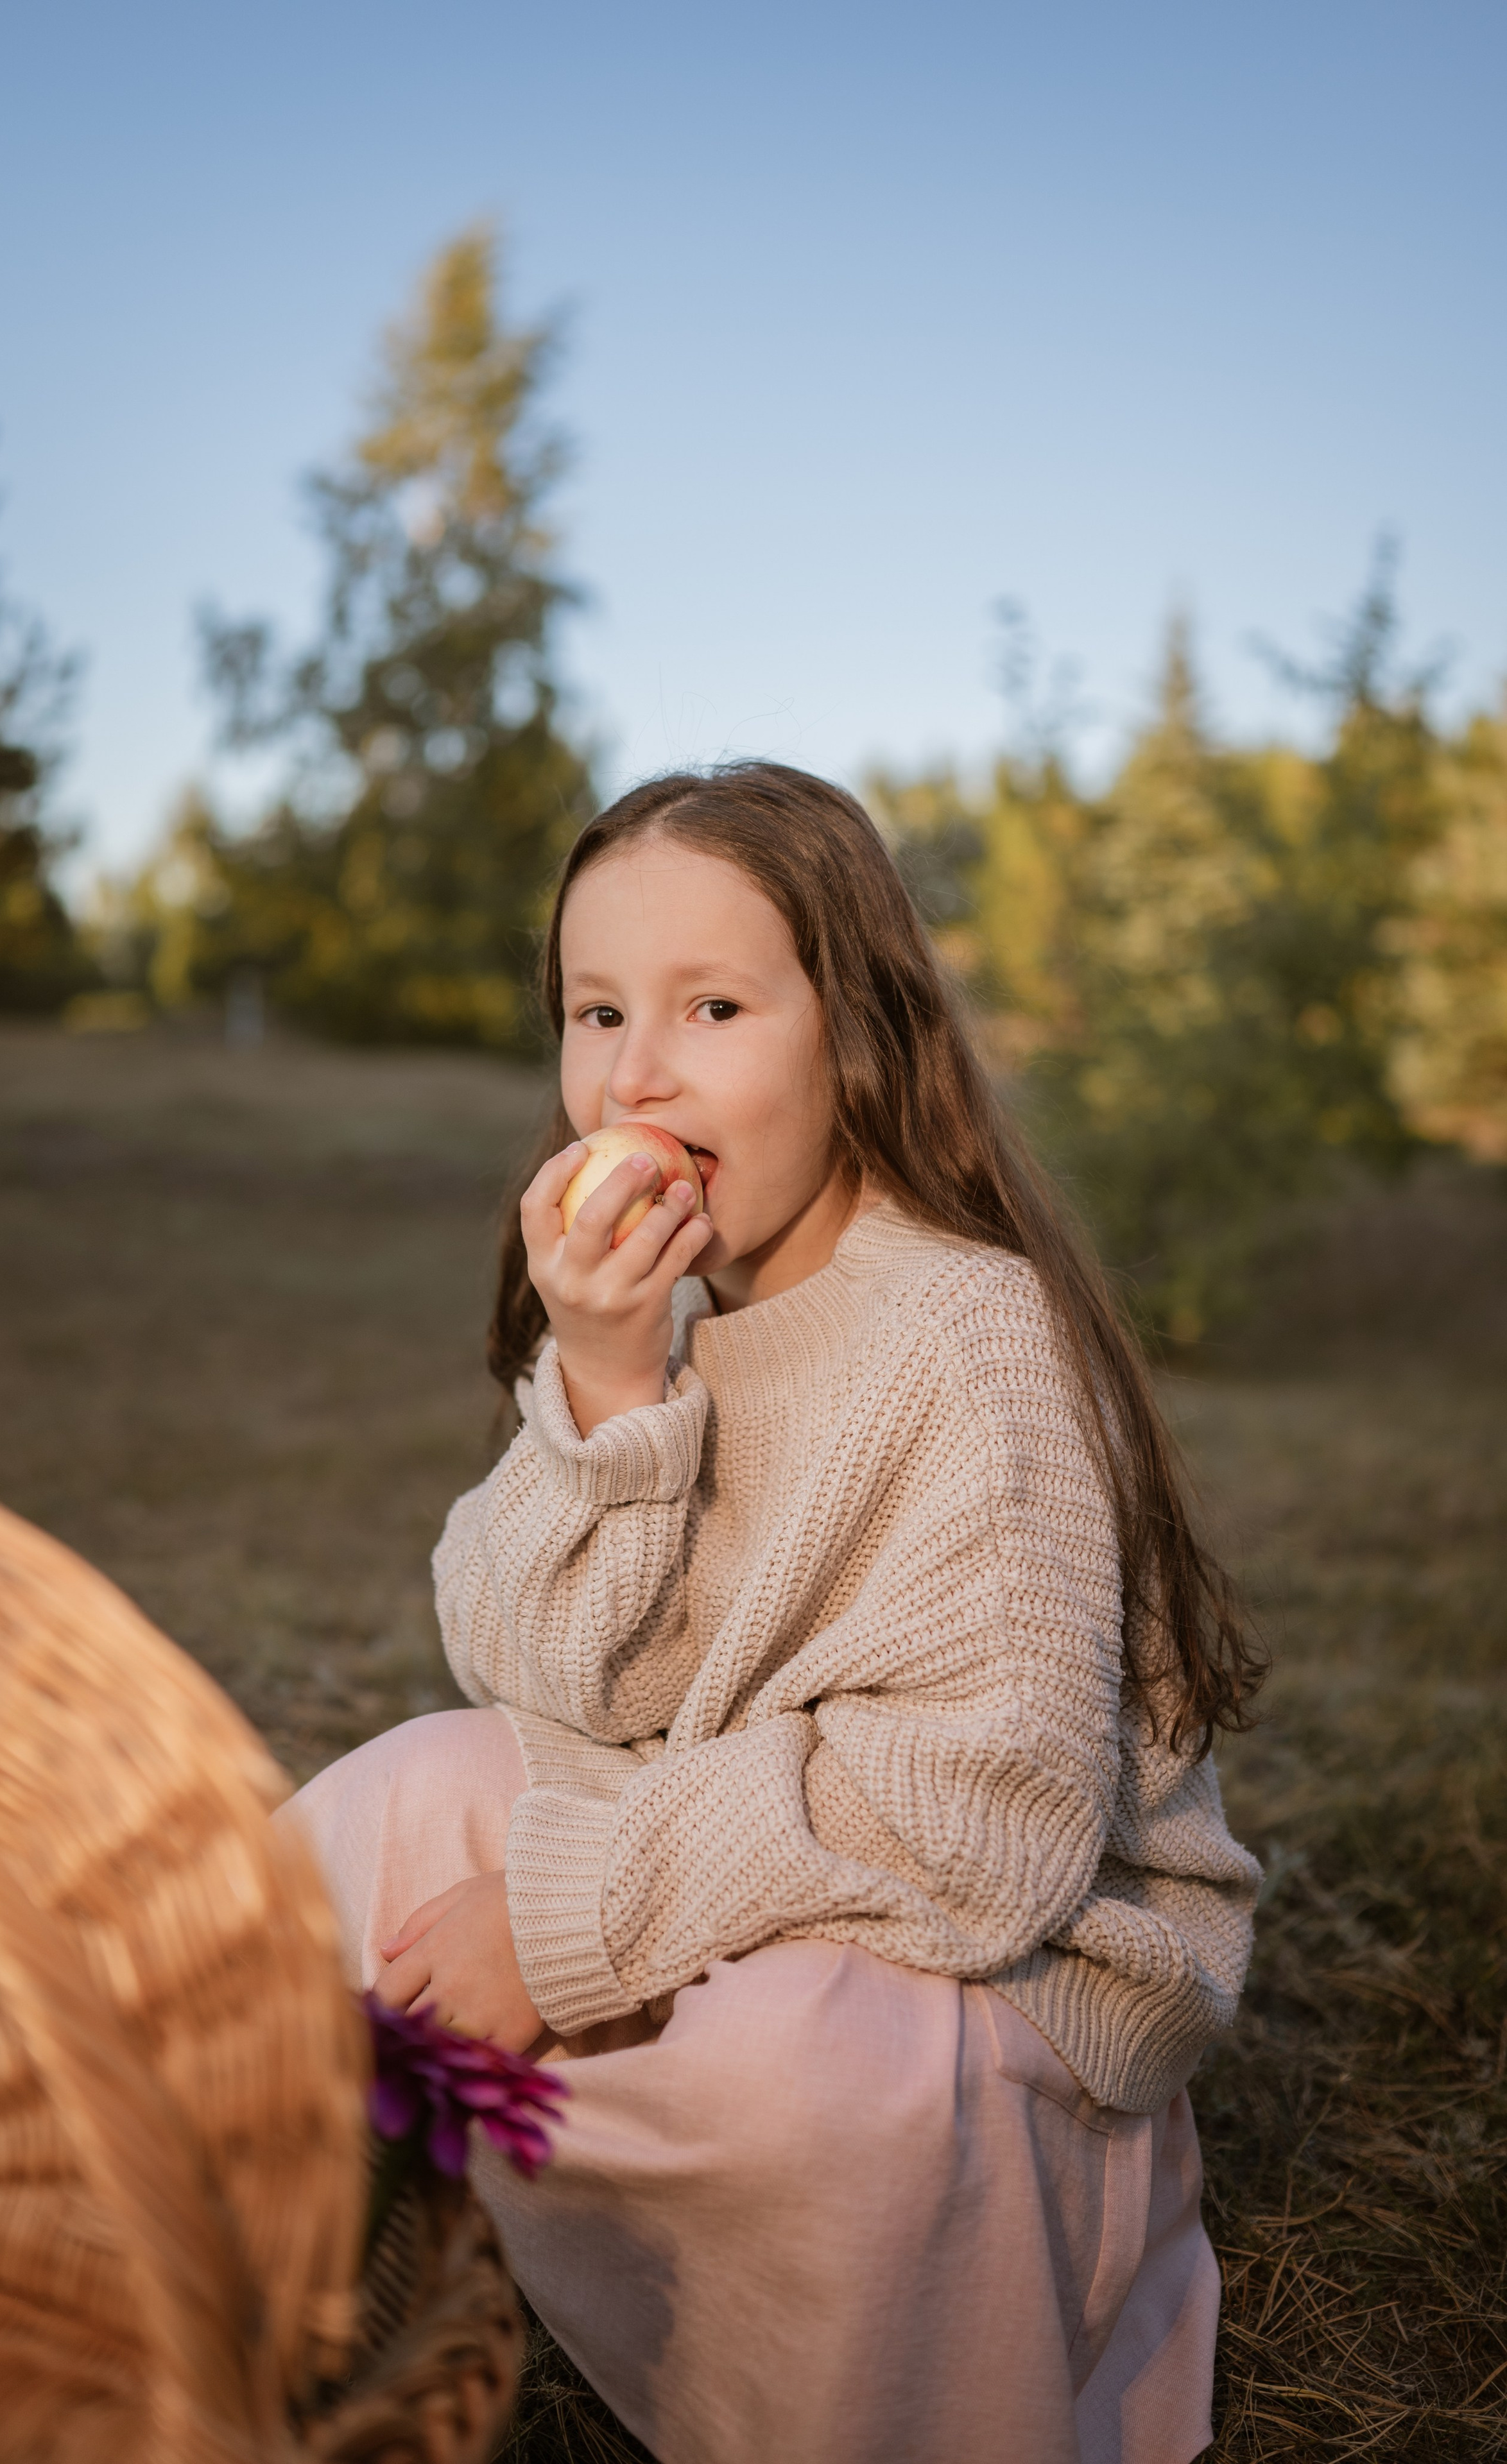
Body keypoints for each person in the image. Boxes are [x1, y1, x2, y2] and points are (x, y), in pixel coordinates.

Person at [280, 762, 1265, 2464]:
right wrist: (601, 1389)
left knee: (806, 2083)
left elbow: (988, 1826)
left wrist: (565, 1922)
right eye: (596, 1012)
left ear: (857, 1036)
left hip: (986, 1998)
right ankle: (116, 2219)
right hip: (759, 1877)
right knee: (396, 1799)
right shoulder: (664, 1311)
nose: (634, 1073)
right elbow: (532, 1670)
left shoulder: (966, 1337)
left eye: (713, 1005)